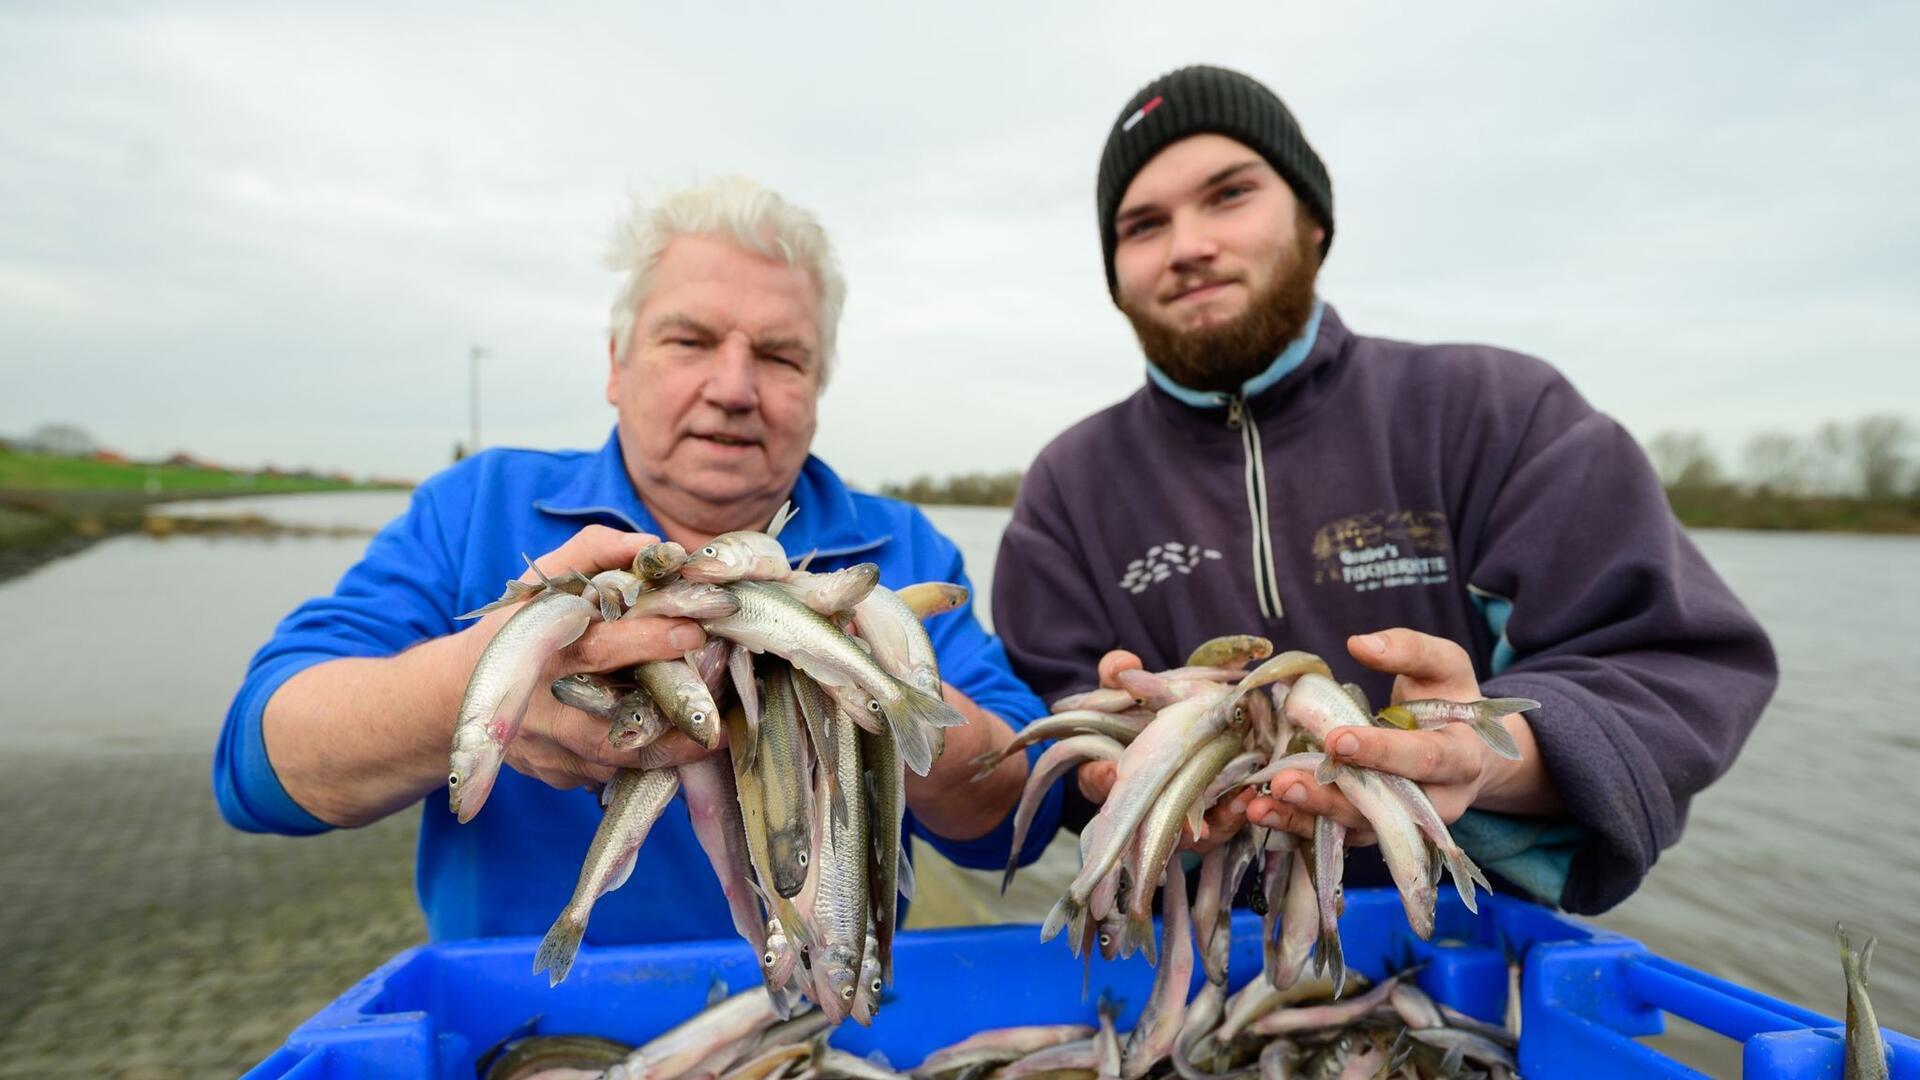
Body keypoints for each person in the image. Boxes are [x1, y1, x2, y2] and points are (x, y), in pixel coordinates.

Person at [991, 64, 1777, 914]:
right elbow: (1049, 730)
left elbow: (1670, 664)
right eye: (1144, 225)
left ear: (1314, 219)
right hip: (1196, 962)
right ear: (1115, 274)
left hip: (1467, 957)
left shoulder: (1499, 412)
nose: (1187, 246)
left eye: (1228, 195)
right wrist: (1125, 767)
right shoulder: (1067, 488)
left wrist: (1482, 750)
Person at [214, 176, 1059, 943]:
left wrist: (873, 690)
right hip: (530, 1033)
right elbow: (258, 770)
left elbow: (1022, 808)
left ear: (818, 386)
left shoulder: (898, 551)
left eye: (779, 355)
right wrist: (481, 684)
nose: (733, 387)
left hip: (806, 1024)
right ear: (616, 365)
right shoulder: (475, 509)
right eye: (689, 341)